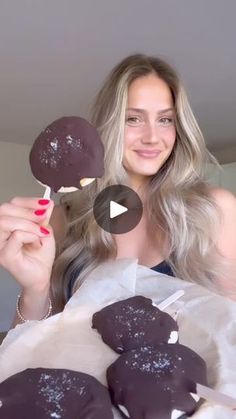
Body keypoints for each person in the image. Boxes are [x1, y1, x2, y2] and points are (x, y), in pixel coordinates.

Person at [0, 54, 235, 328]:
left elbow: (231, 336)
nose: (152, 137)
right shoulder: (65, 220)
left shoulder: (215, 210)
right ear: (109, 125)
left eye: (165, 120)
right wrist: (35, 288)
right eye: (133, 119)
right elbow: (33, 347)